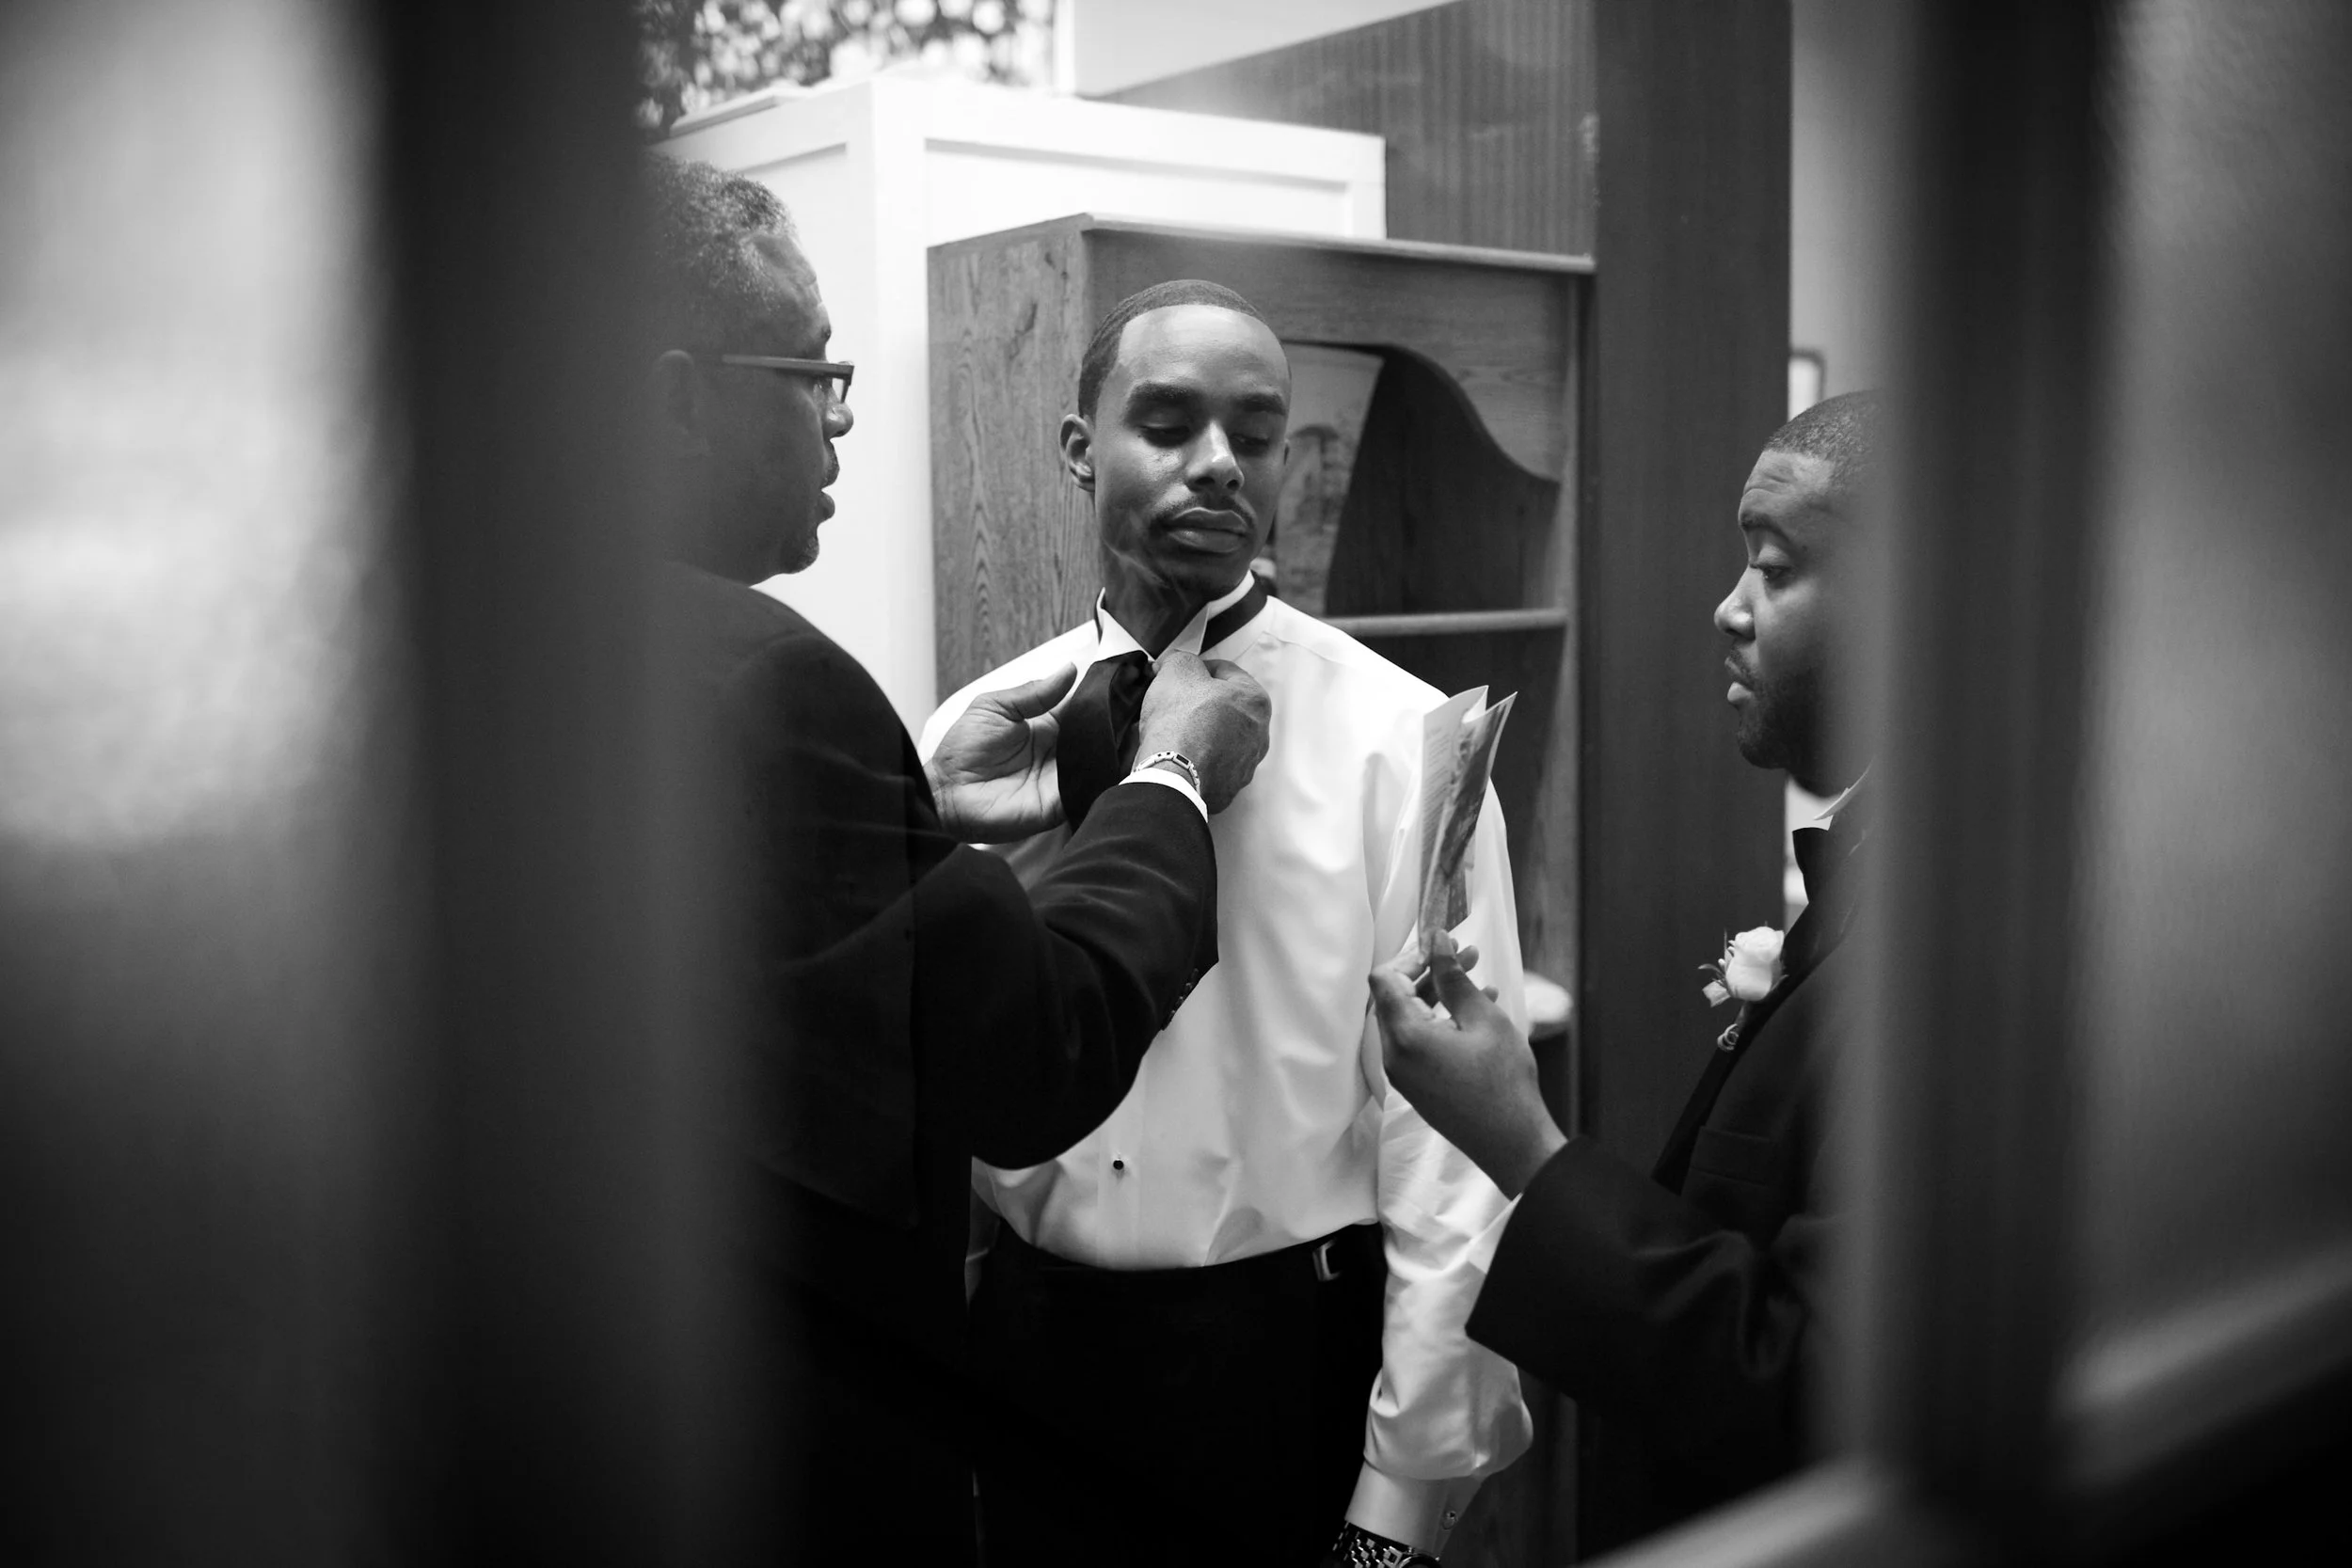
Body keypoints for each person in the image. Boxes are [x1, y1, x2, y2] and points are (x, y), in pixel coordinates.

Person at [640, 160, 1275, 1564]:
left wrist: (911, 810)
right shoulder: (771, 681)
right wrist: (1172, 779)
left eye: (1260, 429)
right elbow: (1026, 1053)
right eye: (812, 373)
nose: (839, 417)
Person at [920, 280, 1532, 1567]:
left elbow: (1450, 1147)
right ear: (1081, 446)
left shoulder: (1401, 738)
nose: (1217, 463)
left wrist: (1403, 1500)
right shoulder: (978, 739)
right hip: (1029, 1345)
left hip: (1277, 1365)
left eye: (1254, 434)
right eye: (1166, 422)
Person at [1367, 392, 1883, 1549]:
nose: (1727, 607)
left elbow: (1808, 1387)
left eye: (1774, 568)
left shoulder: (1946, 939)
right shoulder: (1872, 856)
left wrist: (1522, 1141)